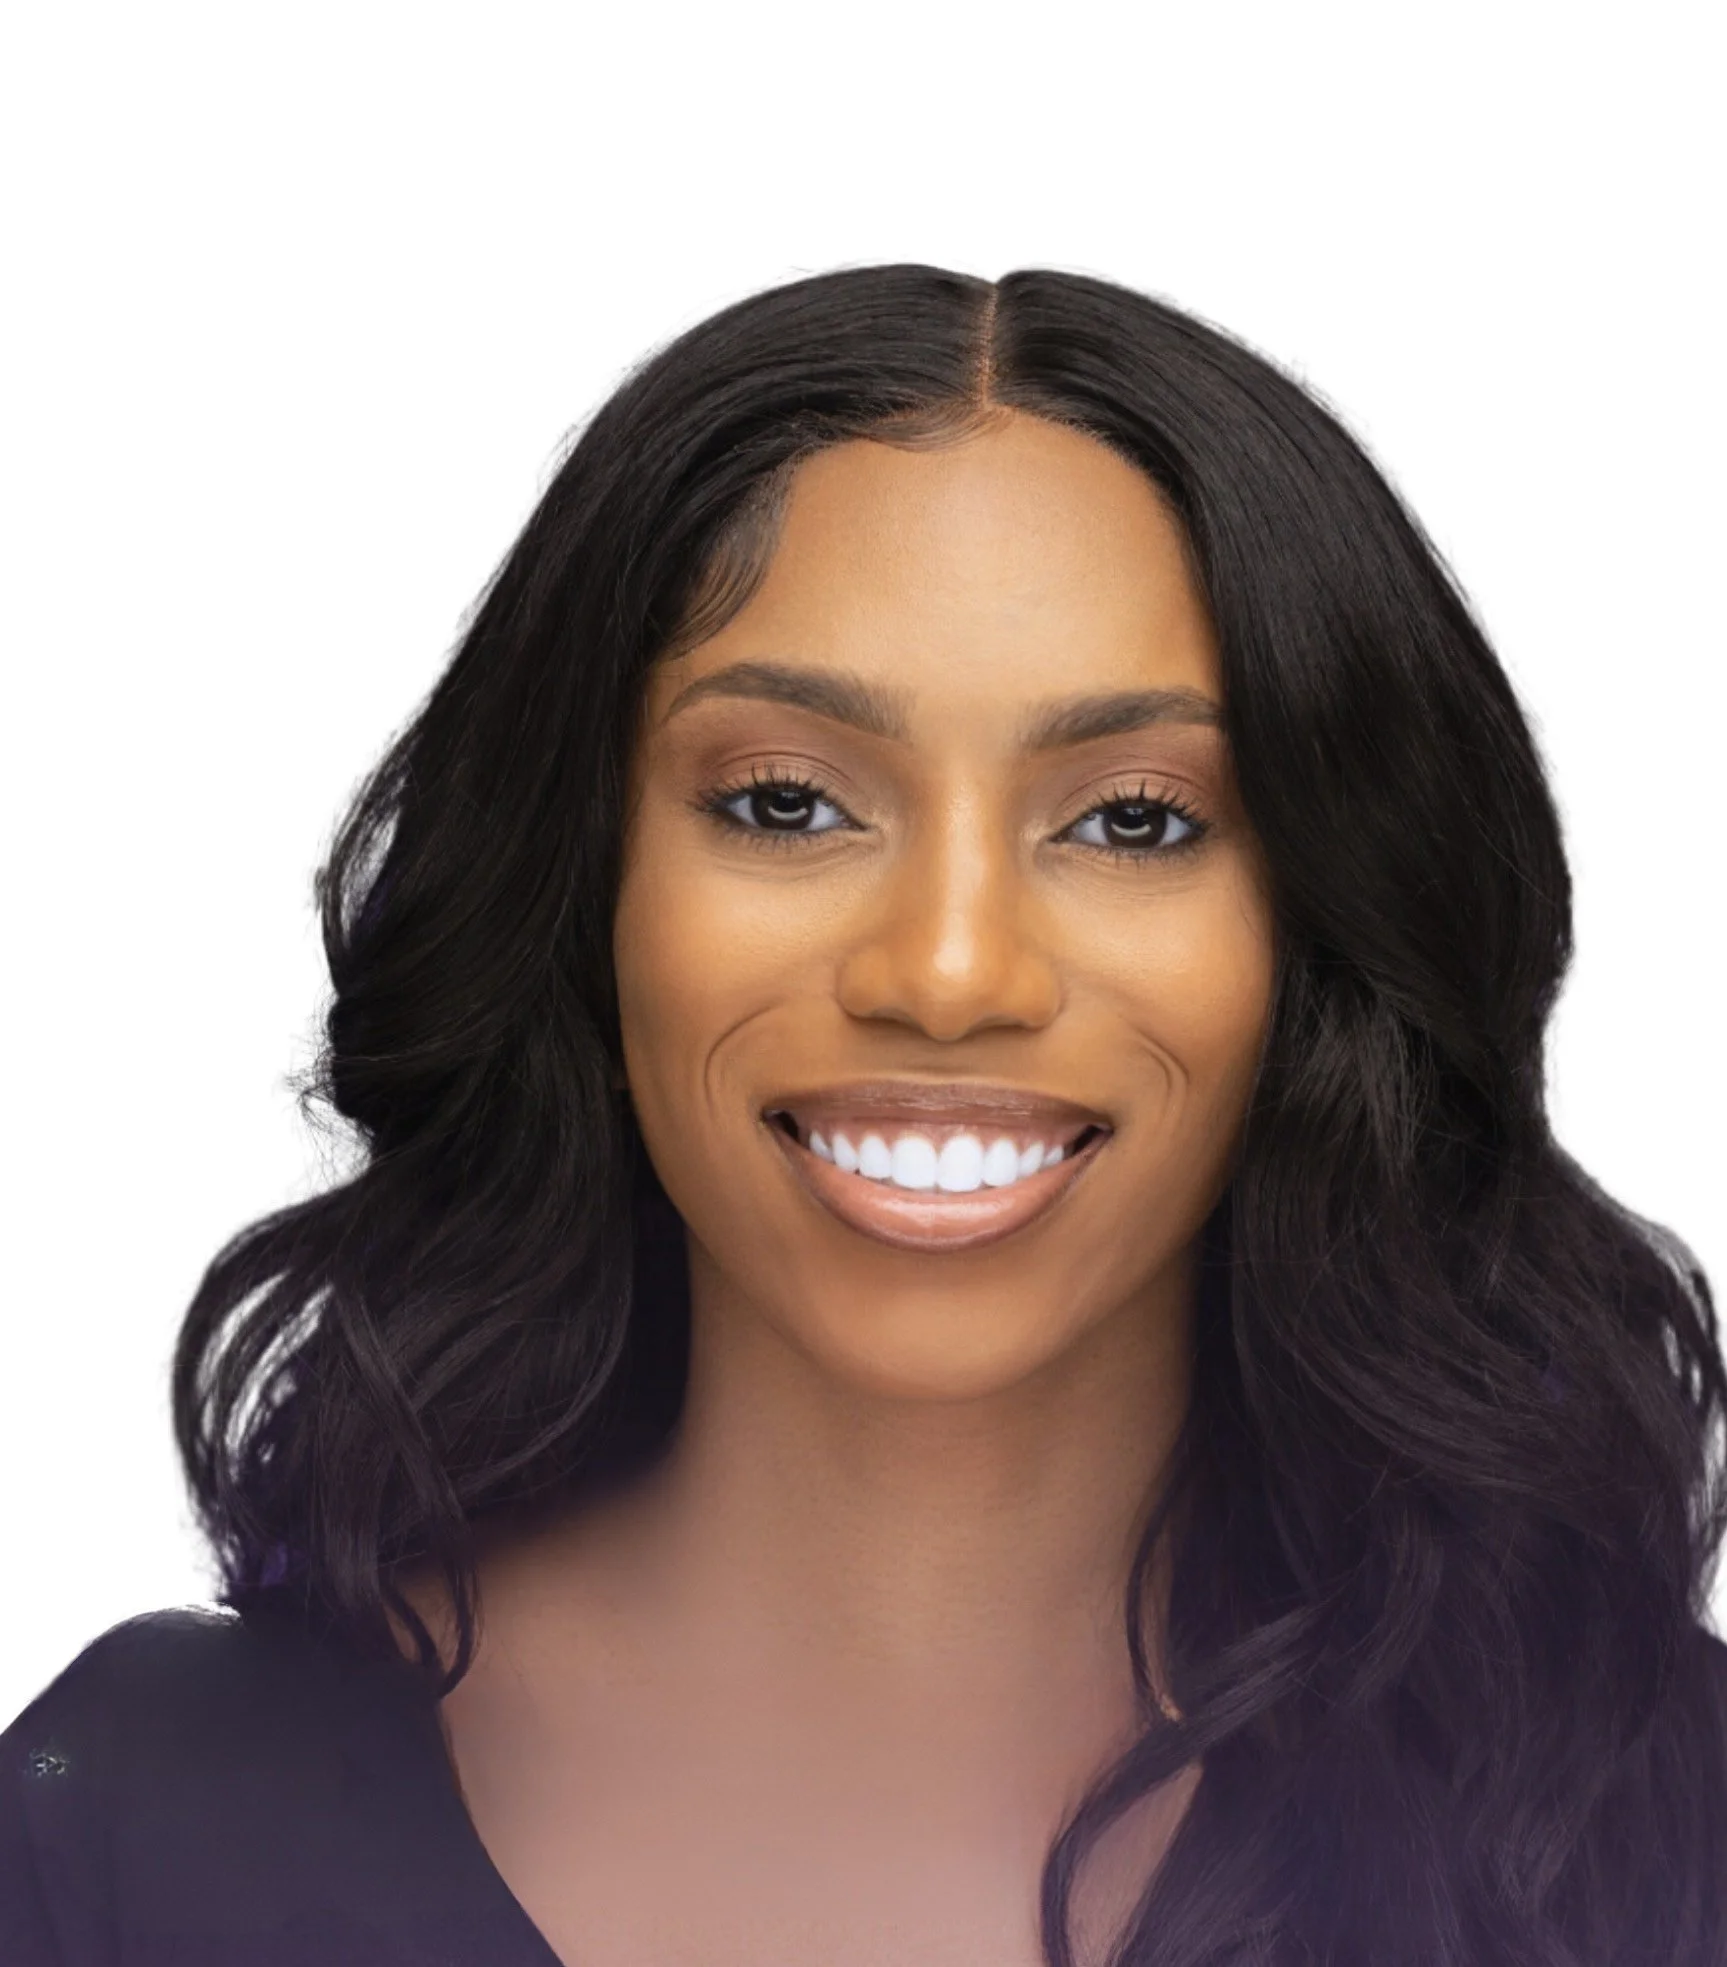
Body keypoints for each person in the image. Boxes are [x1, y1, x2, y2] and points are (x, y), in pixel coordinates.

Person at [4, 264, 1723, 1966]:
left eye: (1131, 820)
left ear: (1320, 945)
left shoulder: (1666, 1810)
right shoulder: (124, 1823)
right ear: (583, 898)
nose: (949, 970)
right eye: (785, 802)